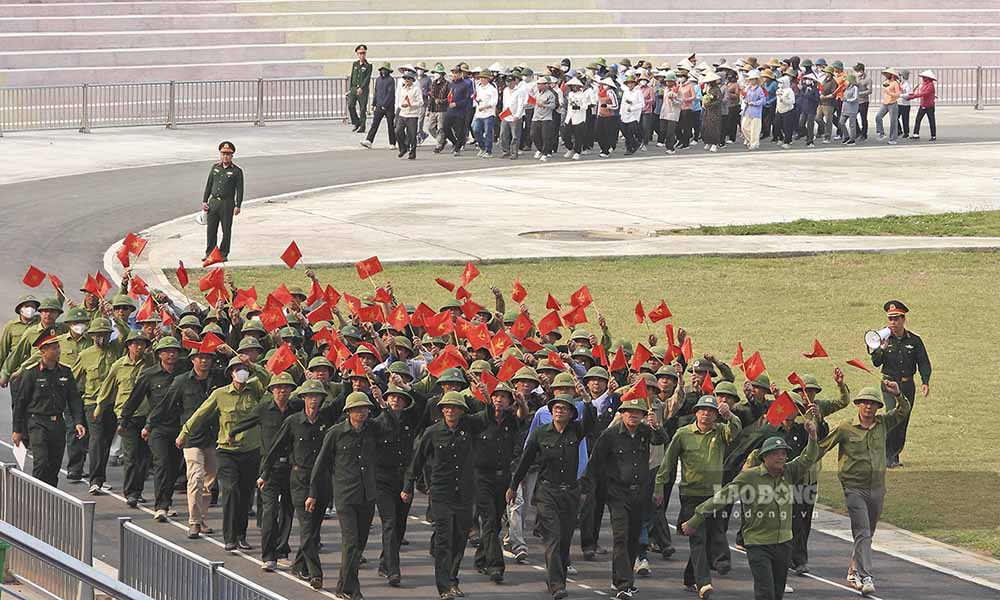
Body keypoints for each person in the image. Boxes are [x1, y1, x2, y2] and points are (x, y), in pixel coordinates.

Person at [683, 425, 819, 600]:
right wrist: (695, 520)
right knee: (765, 592)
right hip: (758, 543)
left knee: (778, 592)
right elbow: (722, 498)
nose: (781, 457)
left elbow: (808, 458)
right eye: (776, 453)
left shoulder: (790, 472)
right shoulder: (749, 477)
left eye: (784, 453)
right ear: (764, 457)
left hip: (784, 543)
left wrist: (813, 437)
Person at [819, 382, 910, 597]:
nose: (868, 407)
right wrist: (796, 467)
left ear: (878, 407)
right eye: (864, 403)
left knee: (867, 533)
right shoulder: (845, 427)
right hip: (854, 488)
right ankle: (866, 576)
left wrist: (898, 394)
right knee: (863, 531)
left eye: (873, 404)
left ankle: (853, 571)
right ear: (858, 405)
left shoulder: (883, 423)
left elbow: (903, 411)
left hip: (878, 488)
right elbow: (822, 447)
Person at [403, 392, 494, 600]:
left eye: (455, 407)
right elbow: (417, 461)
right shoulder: (432, 432)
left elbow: (488, 416)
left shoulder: (469, 428)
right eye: (447, 407)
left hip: (464, 493)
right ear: (442, 410)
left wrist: (486, 396)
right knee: (444, 540)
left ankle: (452, 579)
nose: (450, 411)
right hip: (441, 493)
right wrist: (408, 486)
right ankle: (444, 587)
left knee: (460, 538)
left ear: (462, 411)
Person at [508, 393, 596, 600]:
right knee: (553, 538)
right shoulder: (541, 433)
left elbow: (592, 420)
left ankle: (557, 579)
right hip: (547, 492)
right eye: (556, 407)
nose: (559, 410)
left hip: (571, 493)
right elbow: (526, 460)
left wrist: (587, 400)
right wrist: (513, 486)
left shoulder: (577, 431)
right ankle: (557, 585)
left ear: (571, 414)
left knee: (565, 539)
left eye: (564, 408)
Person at [307, 389, 395, 596]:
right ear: (348, 412)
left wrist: (383, 404)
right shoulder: (336, 433)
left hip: (367, 495)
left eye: (364, 409)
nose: (361, 413)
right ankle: (349, 589)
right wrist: (313, 493)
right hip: (346, 496)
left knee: (359, 545)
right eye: (357, 409)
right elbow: (320, 465)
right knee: (351, 543)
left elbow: (392, 426)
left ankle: (344, 586)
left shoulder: (373, 429)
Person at [655, 395, 742, 600]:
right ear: (696, 412)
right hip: (690, 496)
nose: (706, 414)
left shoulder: (721, 432)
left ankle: (689, 576)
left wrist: (730, 416)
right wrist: (659, 487)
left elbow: (735, 430)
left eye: (711, 411)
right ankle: (704, 583)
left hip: (714, 495)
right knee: (698, 538)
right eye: (703, 410)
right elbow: (668, 462)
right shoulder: (683, 434)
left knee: (709, 538)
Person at [178, 355, 267, 551]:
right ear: (230, 373)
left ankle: (241, 535)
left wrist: (252, 364)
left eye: (243, 369)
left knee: (245, 495)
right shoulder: (220, 394)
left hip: (251, 450)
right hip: (227, 451)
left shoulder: (256, 390)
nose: (241, 372)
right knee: (230, 490)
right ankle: (229, 537)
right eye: (237, 369)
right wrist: (184, 432)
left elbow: (268, 379)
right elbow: (201, 413)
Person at [586, 398, 667, 600]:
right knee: (620, 536)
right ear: (622, 413)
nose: (633, 415)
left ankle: (621, 577)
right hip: (617, 493)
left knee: (632, 537)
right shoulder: (610, 435)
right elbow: (595, 463)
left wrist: (656, 426)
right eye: (629, 411)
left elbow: (661, 439)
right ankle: (624, 584)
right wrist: (592, 490)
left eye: (637, 412)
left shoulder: (644, 432)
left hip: (640, 492)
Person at [260, 378, 337, 588]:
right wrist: (264, 473)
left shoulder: (327, 419)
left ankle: (299, 564)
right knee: (306, 526)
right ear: (303, 398)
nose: (313, 400)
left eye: (317, 396)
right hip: (300, 479)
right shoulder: (293, 421)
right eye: (310, 396)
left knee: (315, 526)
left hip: (322, 479)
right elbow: (275, 448)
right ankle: (315, 573)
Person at [230, 371, 301, 571]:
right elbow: (246, 422)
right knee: (270, 511)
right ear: (271, 390)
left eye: (286, 387)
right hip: (269, 467)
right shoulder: (263, 409)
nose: (282, 391)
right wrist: (233, 433)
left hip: (292, 466)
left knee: (288, 509)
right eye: (278, 388)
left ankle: (282, 550)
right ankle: (268, 555)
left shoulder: (297, 408)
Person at [164, 345, 229, 538]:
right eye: (200, 357)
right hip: (191, 436)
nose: (204, 361)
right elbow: (167, 406)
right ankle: (193, 522)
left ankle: (201, 518)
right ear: (192, 360)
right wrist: (152, 426)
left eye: (208, 357)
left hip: (214, 437)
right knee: (195, 478)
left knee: (209, 482)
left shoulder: (219, 379)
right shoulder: (181, 382)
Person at [118, 336, 185, 521]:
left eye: (174, 351)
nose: (171, 354)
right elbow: (134, 398)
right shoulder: (149, 375)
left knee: (173, 466)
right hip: (157, 427)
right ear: (159, 354)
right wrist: (124, 420)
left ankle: (167, 500)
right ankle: (161, 506)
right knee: (161, 464)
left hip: (180, 428)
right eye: (167, 351)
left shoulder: (184, 373)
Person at [12, 328, 86, 487]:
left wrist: (78, 422)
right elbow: (21, 403)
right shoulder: (31, 374)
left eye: (58, 346)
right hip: (37, 423)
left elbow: (73, 399)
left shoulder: (65, 372)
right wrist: (17, 430)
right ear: (43, 351)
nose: (57, 350)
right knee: (41, 462)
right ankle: (38, 498)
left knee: (54, 464)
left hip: (58, 423)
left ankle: (51, 499)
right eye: (53, 348)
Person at [94, 330, 155, 507]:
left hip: (146, 414)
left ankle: (138, 490)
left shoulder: (150, 364)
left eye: (142, 344)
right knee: (131, 454)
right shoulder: (119, 366)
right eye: (135, 343)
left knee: (144, 456)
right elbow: (107, 388)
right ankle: (130, 492)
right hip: (126, 416)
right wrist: (99, 407)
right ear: (128, 346)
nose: (138, 347)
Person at [869, 300, 931, 468]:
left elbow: (923, 362)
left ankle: (895, 455)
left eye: (896, 319)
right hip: (889, 383)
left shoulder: (915, 341)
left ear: (903, 319)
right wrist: (880, 349)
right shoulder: (882, 339)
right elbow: (876, 362)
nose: (893, 323)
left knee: (903, 419)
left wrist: (925, 382)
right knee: (892, 416)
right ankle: (886, 455)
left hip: (906, 385)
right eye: (890, 319)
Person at [73, 317, 123, 495]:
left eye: (105, 334)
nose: (101, 338)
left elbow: (126, 334)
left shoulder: (116, 349)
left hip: (112, 403)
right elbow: (73, 379)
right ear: (92, 336)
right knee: (96, 439)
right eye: (98, 335)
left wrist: (116, 320)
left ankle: (100, 478)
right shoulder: (85, 355)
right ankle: (95, 480)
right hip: (92, 403)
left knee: (106, 441)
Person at [202, 141, 244, 263]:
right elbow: (209, 184)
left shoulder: (236, 171)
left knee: (226, 230)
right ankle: (210, 253)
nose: (225, 156)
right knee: (211, 230)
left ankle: (223, 253)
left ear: (232, 156)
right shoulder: (215, 168)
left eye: (228, 154)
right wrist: (205, 200)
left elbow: (240, 189)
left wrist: (238, 205)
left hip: (227, 204)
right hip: (214, 202)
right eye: (223, 154)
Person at [361, 62, 396, 149]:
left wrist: (385, 104)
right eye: (382, 70)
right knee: (374, 124)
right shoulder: (378, 80)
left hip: (388, 107)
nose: (383, 71)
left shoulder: (391, 80)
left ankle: (392, 143)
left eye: (385, 70)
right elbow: (376, 92)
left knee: (390, 125)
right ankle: (369, 140)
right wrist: (374, 103)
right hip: (379, 105)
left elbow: (390, 94)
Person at [444, 66, 474, 156]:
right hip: (450, 110)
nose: (454, 75)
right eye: (453, 73)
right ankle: (455, 142)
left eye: (456, 73)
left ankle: (457, 148)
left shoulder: (465, 84)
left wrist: (457, 104)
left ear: (461, 74)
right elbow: (448, 96)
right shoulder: (451, 84)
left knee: (460, 130)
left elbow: (467, 99)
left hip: (461, 111)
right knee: (445, 127)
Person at [395, 70, 423, 160]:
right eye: (405, 78)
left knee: (412, 134)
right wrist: (399, 106)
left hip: (412, 114)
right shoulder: (403, 88)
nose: (406, 80)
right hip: (403, 113)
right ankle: (403, 147)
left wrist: (411, 105)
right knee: (398, 131)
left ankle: (412, 152)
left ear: (412, 80)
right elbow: (400, 100)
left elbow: (420, 102)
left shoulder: (416, 89)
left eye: (408, 79)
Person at [471, 69, 498, 158]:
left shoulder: (492, 89)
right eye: (481, 78)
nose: (482, 79)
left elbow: (494, 102)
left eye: (484, 78)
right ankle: (482, 147)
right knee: (475, 130)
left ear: (488, 79)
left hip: (489, 114)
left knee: (488, 133)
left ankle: (488, 150)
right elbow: (478, 98)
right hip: (479, 113)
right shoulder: (479, 87)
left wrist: (485, 107)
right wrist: (477, 100)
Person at [500, 71, 527, 159]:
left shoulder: (520, 91)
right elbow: (504, 103)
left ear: (515, 82)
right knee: (503, 134)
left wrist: (517, 115)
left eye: (510, 82)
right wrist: (503, 113)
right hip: (506, 114)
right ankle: (505, 150)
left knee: (515, 136)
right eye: (507, 82)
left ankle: (514, 152)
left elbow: (520, 104)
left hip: (515, 116)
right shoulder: (505, 90)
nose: (509, 84)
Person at [531, 76, 559, 161]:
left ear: (545, 85)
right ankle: (540, 149)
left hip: (546, 118)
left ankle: (545, 153)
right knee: (534, 134)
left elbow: (553, 106)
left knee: (546, 136)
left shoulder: (550, 94)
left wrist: (543, 105)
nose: (539, 86)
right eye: (538, 84)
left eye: (541, 84)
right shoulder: (536, 93)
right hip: (536, 117)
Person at [347, 45, 372, 133]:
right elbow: (352, 76)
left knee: (362, 109)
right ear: (357, 54)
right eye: (360, 53)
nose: (362, 55)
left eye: (363, 53)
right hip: (354, 88)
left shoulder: (368, 65)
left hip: (363, 90)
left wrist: (361, 88)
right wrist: (350, 89)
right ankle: (356, 122)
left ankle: (362, 126)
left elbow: (367, 78)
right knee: (350, 105)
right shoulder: (355, 64)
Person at [427, 63, 451, 152]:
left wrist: (441, 101)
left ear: (442, 74)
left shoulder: (447, 84)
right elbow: (431, 97)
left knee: (440, 128)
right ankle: (441, 140)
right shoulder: (433, 83)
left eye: (438, 73)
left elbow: (449, 98)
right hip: (433, 108)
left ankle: (439, 145)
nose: (436, 74)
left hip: (442, 109)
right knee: (430, 127)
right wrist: (429, 109)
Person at [908, 70, 937, 141]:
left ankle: (933, 135)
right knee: (918, 119)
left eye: (924, 77)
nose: (923, 79)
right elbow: (922, 93)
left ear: (928, 78)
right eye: (923, 77)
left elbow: (923, 94)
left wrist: (914, 96)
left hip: (929, 106)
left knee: (931, 120)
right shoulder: (924, 84)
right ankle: (916, 134)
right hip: (923, 104)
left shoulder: (930, 85)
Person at [875, 68, 901, 144]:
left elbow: (898, 94)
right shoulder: (886, 81)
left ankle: (893, 139)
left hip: (893, 103)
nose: (886, 75)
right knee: (878, 117)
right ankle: (881, 133)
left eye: (887, 74)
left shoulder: (895, 83)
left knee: (893, 121)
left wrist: (890, 93)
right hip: (885, 103)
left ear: (891, 75)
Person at [619, 74, 644, 156]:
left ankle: (629, 148)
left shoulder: (638, 93)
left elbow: (642, 104)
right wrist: (621, 114)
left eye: (632, 83)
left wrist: (632, 107)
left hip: (634, 116)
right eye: (628, 83)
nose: (630, 85)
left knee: (630, 132)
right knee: (624, 131)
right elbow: (623, 104)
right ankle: (635, 143)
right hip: (625, 115)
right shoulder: (625, 92)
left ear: (634, 84)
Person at [699, 71, 723, 152]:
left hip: (715, 111)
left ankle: (715, 143)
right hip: (708, 111)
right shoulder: (710, 89)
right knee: (707, 126)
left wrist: (710, 104)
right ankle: (708, 141)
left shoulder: (717, 90)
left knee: (714, 126)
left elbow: (719, 100)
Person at [742, 71, 766, 150]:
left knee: (755, 129)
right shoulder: (748, 88)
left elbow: (763, 100)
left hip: (756, 111)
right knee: (744, 127)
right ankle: (751, 140)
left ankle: (754, 143)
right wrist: (745, 100)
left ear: (756, 80)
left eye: (752, 79)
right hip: (748, 110)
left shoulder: (759, 89)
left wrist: (754, 103)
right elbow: (746, 97)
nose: (751, 81)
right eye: (750, 79)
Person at [798, 74, 820, 147]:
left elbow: (817, 99)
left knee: (810, 125)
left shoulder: (815, 89)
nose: (807, 81)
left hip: (811, 109)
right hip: (804, 109)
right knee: (801, 124)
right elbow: (801, 97)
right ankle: (807, 134)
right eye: (806, 79)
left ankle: (810, 140)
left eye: (809, 79)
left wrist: (809, 95)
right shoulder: (804, 88)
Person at [774, 75, 796, 149]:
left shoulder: (789, 91)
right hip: (779, 110)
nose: (780, 84)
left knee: (787, 127)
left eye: (781, 82)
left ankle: (787, 141)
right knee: (776, 125)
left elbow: (793, 101)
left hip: (788, 110)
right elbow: (777, 101)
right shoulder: (779, 90)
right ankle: (780, 137)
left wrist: (784, 101)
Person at [838, 73, 860, 145]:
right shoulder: (846, 88)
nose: (845, 82)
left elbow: (855, 98)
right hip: (845, 108)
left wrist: (847, 100)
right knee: (841, 122)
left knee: (852, 125)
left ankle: (852, 139)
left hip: (852, 109)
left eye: (846, 81)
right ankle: (846, 136)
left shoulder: (855, 88)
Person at [853, 63, 871, 140]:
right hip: (856, 101)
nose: (857, 73)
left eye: (858, 71)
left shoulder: (867, 79)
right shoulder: (855, 77)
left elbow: (869, 91)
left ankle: (864, 134)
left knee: (863, 118)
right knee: (853, 116)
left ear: (862, 70)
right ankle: (858, 132)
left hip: (864, 101)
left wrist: (859, 94)